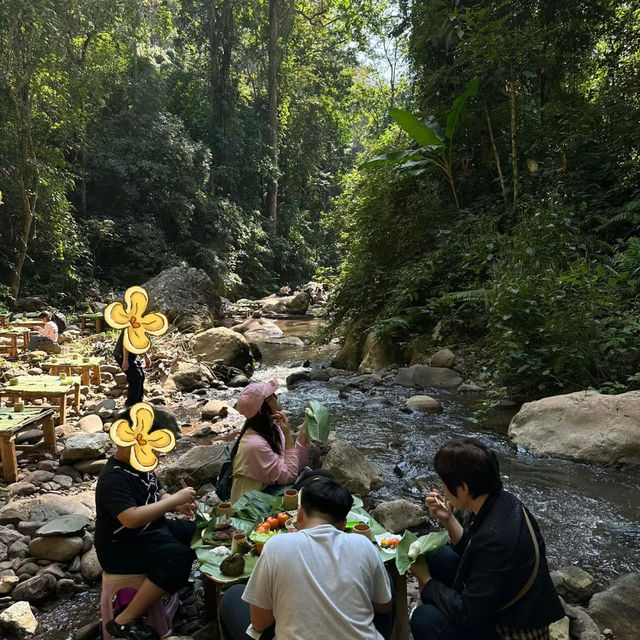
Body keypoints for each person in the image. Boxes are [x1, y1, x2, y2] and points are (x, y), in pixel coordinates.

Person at [410, 437, 564, 640]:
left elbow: (470, 614)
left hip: (515, 629)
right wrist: (447, 519)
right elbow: (475, 551)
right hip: (502, 602)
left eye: (444, 483)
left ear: (463, 488)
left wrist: (426, 581)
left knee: (424, 618)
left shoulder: (495, 539)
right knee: (439, 554)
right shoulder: (503, 501)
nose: (442, 488)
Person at [220, 478, 394, 640]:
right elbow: (384, 606)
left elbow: (259, 623)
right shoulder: (364, 545)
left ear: (300, 514)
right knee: (387, 582)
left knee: (232, 596)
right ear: (343, 524)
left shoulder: (276, 545)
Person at [95, 414, 197, 640]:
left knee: (197, 532)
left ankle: (166, 585)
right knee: (179, 557)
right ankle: (124, 620)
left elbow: (156, 491)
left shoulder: (140, 462)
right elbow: (129, 518)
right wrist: (173, 501)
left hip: (150, 530)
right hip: (121, 547)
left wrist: (174, 504)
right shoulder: (113, 478)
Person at [230, 380, 310, 503]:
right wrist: (288, 435)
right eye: (272, 397)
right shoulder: (254, 444)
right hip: (250, 503)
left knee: (312, 475)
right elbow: (290, 475)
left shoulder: (274, 429)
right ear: (261, 410)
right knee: (315, 480)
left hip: (268, 489)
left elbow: (294, 466)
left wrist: (303, 436)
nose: (277, 398)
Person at [114, 329, 150, 406]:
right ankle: (130, 404)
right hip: (122, 353)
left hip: (132, 353)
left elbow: (141, 342)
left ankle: (139, 401)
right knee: (135, 376)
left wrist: (146, 357)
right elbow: (126, 344)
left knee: (141, 376)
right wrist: (125, 361)